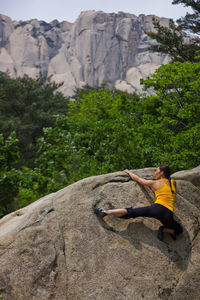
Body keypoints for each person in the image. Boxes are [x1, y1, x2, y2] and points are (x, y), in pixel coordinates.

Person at [94, 165, 183, 241]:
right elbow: (170, 193)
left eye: (156, 170)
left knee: (133, 212)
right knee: (179, 230)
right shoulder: (173, 182)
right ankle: (164, 229)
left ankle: (106, 212)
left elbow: (139, 180)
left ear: (162, 173)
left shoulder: (155, 183)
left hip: (157, 209)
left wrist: (129, 172)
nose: (155, 172)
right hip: (168, 214)